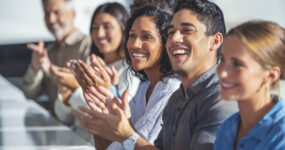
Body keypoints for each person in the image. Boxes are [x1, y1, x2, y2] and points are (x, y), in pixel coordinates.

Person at [72, 0, 238, 150]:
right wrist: (103, 113)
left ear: (215, 41)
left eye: (187, 31)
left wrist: (126, 134)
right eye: (172, 32)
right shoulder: (177, 98)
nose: (175, 39)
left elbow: (130, 141)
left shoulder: (221, 97)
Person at [72, 6, 181, 150]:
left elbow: (130, 142)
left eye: (146, 37)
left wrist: (107, 97)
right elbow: (114, 145)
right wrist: (97, 99)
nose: (135, 44)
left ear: (166, 42)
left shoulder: (171, 89)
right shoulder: (144, 89)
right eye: (132, 35)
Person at [52, 2, 140, 140]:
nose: (99, 34)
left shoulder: (129, 71)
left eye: (107, 27)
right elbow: (63, 116)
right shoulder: (89, 65)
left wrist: (75, 88)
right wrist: (65, 89)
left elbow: (118, 119)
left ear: (124, 29)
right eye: (94, 27)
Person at [214, 21, 285, 150]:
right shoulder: (227, 128)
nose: (222, 73)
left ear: (271, 76)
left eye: (237, 64)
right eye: (222, 59)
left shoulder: (282, 135)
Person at [21, 0, 91, 115]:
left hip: (81, 128)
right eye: (47, 14)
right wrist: (35, 67)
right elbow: (29, 93)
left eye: (57, 12)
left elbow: (88, 89)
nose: (51, 19)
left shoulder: (87, 44)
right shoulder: (47, 51)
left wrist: (49, 68)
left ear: (73, 14)